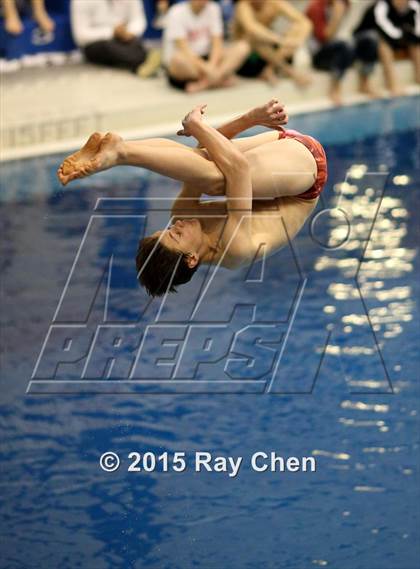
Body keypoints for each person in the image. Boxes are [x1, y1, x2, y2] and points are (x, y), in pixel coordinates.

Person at [57, 99, 328, 298]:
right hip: (306, 170)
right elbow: (238, 169)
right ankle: (122, 154)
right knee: (217, 180)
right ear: (191, 259)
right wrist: (198, 126)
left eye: (166, 230)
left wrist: (250, 119)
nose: (175, 226)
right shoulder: (234, 250)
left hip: (277, 147)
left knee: (205, 166)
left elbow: (202, 152)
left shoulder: (183, 216)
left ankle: (122, 148)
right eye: (175, 236)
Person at [163, 0, 250, 93]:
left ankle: (206, 83)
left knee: (242, 47)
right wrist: (207, 69)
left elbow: (217, 44)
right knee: (177, 60)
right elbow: (184, 49)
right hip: (189, 60)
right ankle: (218, 79)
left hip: (208, 58)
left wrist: (212, 67)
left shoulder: (213, 8)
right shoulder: (176, 12)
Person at [306, 0, 380, 105]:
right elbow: (325, 38)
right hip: (319, 56)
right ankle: (334, 88)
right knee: (345, 45)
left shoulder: (345, 3)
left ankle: (365, 83)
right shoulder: (315, 7)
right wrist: (336, 16)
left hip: (341, 48)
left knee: (371, 38)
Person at [70, 0, 161, 79]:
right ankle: (144, 59)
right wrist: (112, 32)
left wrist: (128, 33)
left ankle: (144, 62)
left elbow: (138, 20)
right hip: (95, 43)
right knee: (109, 47)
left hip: (125, 38)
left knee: (134, 43)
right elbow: (80, 36)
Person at [232, 0, 312, 86]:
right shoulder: (243, 6)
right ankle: (289, 71)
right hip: (248, 60)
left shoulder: (275, 3)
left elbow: (304, 22)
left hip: (270, 57)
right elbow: (252, 29)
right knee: (253, 37)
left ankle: (270, 69)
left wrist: (296, 40)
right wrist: (282, 40)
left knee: (298, 28)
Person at [354, 0, 420, 96]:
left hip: (394, 38)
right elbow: (384, 30)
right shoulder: (381, 6)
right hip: (365, 43)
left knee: (416, 44)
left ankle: (419, 76)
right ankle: (392, 83)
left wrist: (409, 35)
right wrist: (406, 34)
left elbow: (417, 31)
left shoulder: (414, 5)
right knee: (382, 43)